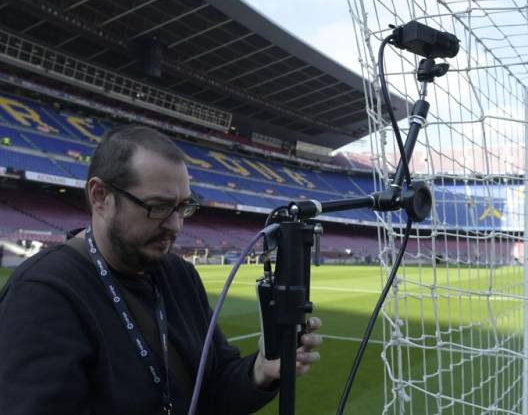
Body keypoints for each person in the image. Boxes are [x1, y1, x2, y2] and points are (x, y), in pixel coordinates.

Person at [0, 125, 322, 415]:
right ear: (100, 196)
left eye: (183, 207)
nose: (175, 225)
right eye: (157, 207)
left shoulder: (181, 276)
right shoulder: (42, 294)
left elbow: (212, 392)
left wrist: (261, 370)